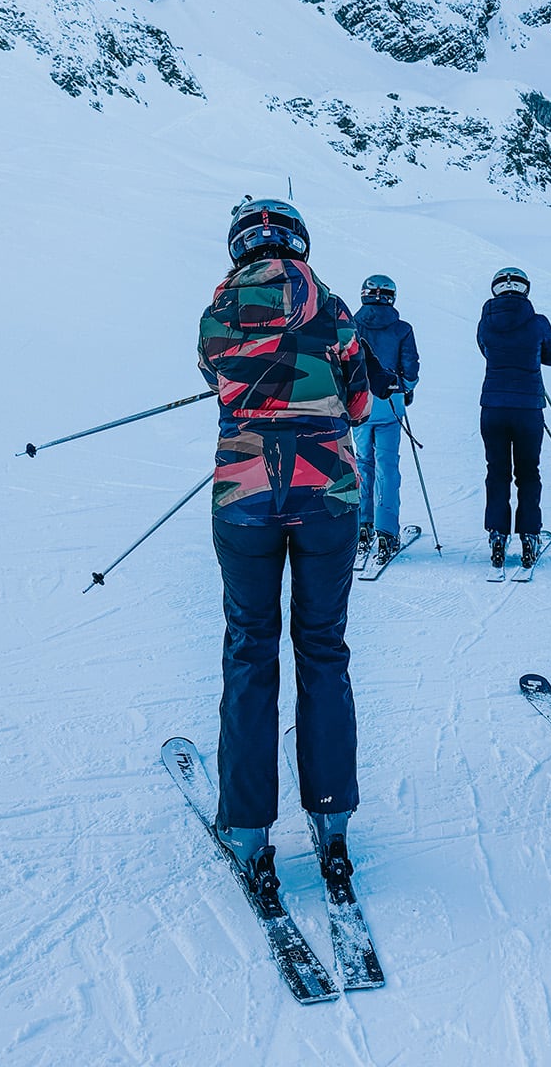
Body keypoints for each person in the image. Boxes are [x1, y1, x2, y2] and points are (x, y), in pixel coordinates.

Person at [198, 197, 372, 903]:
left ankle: (247, 828)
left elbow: (215, 380)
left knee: (249, 647)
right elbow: (359, 403)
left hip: (245, 495)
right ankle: (331, 820)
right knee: (323, 648)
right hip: (327, 493)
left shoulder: (218, 311)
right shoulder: (331, 308)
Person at [477, 266, 551, 570]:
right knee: (528, 472)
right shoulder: (538, 323)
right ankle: (528, 534)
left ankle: (498, 534)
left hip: (493, 406)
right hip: (528, 408)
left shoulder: (486, 322)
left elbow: (486, 350)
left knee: (496, 471)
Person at [351, 274, 419, 566]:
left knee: (362, 463)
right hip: (390, 405)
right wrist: (407, 389)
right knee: (387, 466)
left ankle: (362, 526)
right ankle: (386, 531)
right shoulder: (402, 329)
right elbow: (411, 369)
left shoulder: (352, 324)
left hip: (359, 404)